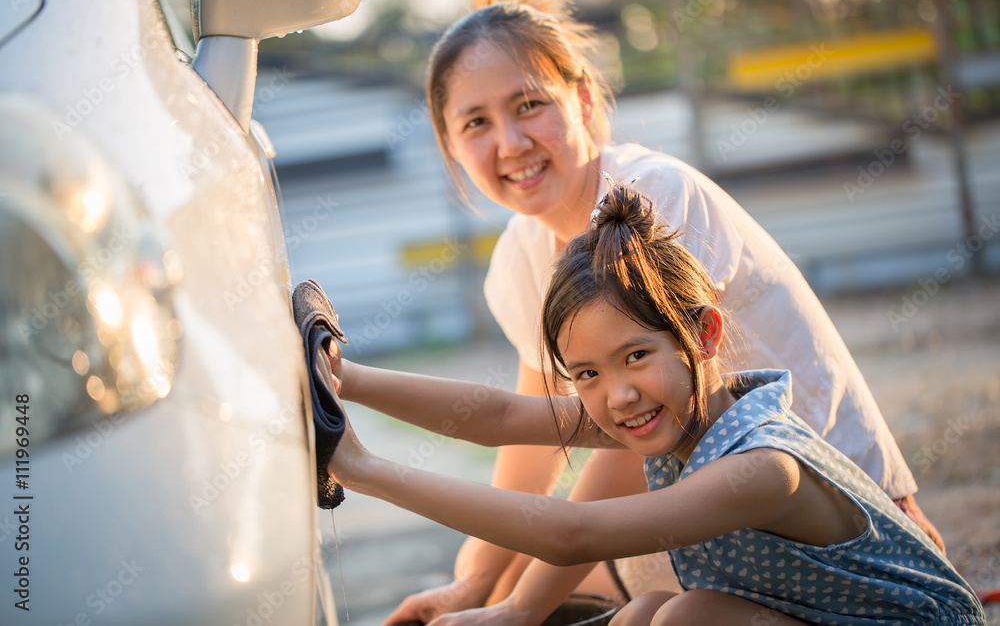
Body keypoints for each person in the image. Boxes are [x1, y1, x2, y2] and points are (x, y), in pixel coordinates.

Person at [387, 0, 944, 624]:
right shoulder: (518, 257)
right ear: (449, 142)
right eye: (476, 121)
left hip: (829, 514)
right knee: (503, 557)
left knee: (556, 570)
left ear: (584, 100)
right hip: (722, 512)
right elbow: (535, 435)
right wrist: (472, 585)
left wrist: (514, 606)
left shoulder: (652, 197)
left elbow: (637, 438)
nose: (509, 143)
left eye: (529, 104)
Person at [326, 185, 986, 626]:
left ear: (704, 334)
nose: (617, 393)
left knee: (680, 619)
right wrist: (345, 377)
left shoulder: (762, 466)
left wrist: (364, 469)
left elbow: (569, 533)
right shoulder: (677, 415)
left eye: (635, 355)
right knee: (646, 612)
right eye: (586, 372)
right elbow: (500, 416)